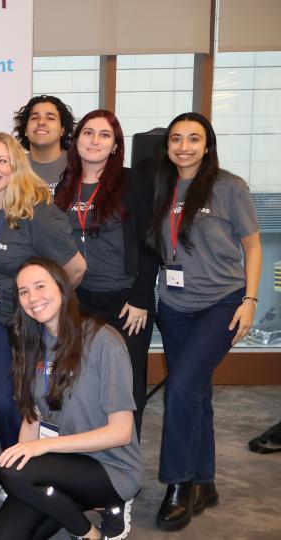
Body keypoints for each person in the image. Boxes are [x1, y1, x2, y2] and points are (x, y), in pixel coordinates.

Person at [145, 113, 262, 532]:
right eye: (176, 139)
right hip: (175, 307)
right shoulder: (160, 187)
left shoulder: (229, 187)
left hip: (221, 304)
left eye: (193, 139)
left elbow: (253, 246)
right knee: (195, 392)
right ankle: (205, 482)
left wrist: (250, 300)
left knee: (180, 388)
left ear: (207, 145)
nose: (184, 147)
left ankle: (179, 484)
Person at [0, 133, 84, 482]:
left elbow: (76, 269)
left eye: (2, 161)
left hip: (36, 321)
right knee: (2, 399)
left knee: (41, 400)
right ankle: (15, 469)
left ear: (16, 166)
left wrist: (47, 308)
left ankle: (49, 471)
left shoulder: (36, 211)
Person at [0, 258, 141, 540]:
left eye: (40, 286)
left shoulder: (104, 341)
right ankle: (81, 509)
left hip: (109, 467)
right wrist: (25, 460)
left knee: (13, 474)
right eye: (24, 291)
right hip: (61, 464)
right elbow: (32, 418)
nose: (33, 298)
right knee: (5, 535)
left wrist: (40, 449)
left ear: (62, 288)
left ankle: (88, 532)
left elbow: (121, 433)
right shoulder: (31, 342)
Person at [53, 110, 160, 438]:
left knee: (125, 384)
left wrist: (141, 297)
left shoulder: (132, 182)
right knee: (83, 380)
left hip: (126, 301)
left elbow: (150, 241)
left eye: (104, 135)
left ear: (115, 145)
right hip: (80, 300)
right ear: (76, 141)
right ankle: (88, 451)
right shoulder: (65, 186)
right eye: (88, 133)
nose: (94, 141)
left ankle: (124, 457)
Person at [13, 95, 75, 193]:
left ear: (62, 130)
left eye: (50, 118)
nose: (41, 122)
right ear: (25, 130)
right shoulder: (12, 167)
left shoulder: (77, 164)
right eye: (35, 118)